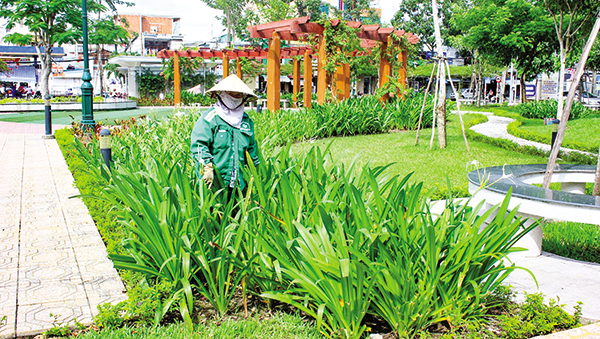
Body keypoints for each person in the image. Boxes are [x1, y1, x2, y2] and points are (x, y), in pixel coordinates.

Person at [190, 74, 260, 195]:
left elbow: (252, 150)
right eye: (230, 94)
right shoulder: (210, 119)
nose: (235, 98)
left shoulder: (246, 122)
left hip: (240, 184)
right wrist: (206, 166)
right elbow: (199, 145)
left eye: (238, 95)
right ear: (221, 94)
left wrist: (257, 174)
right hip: (215, 183)